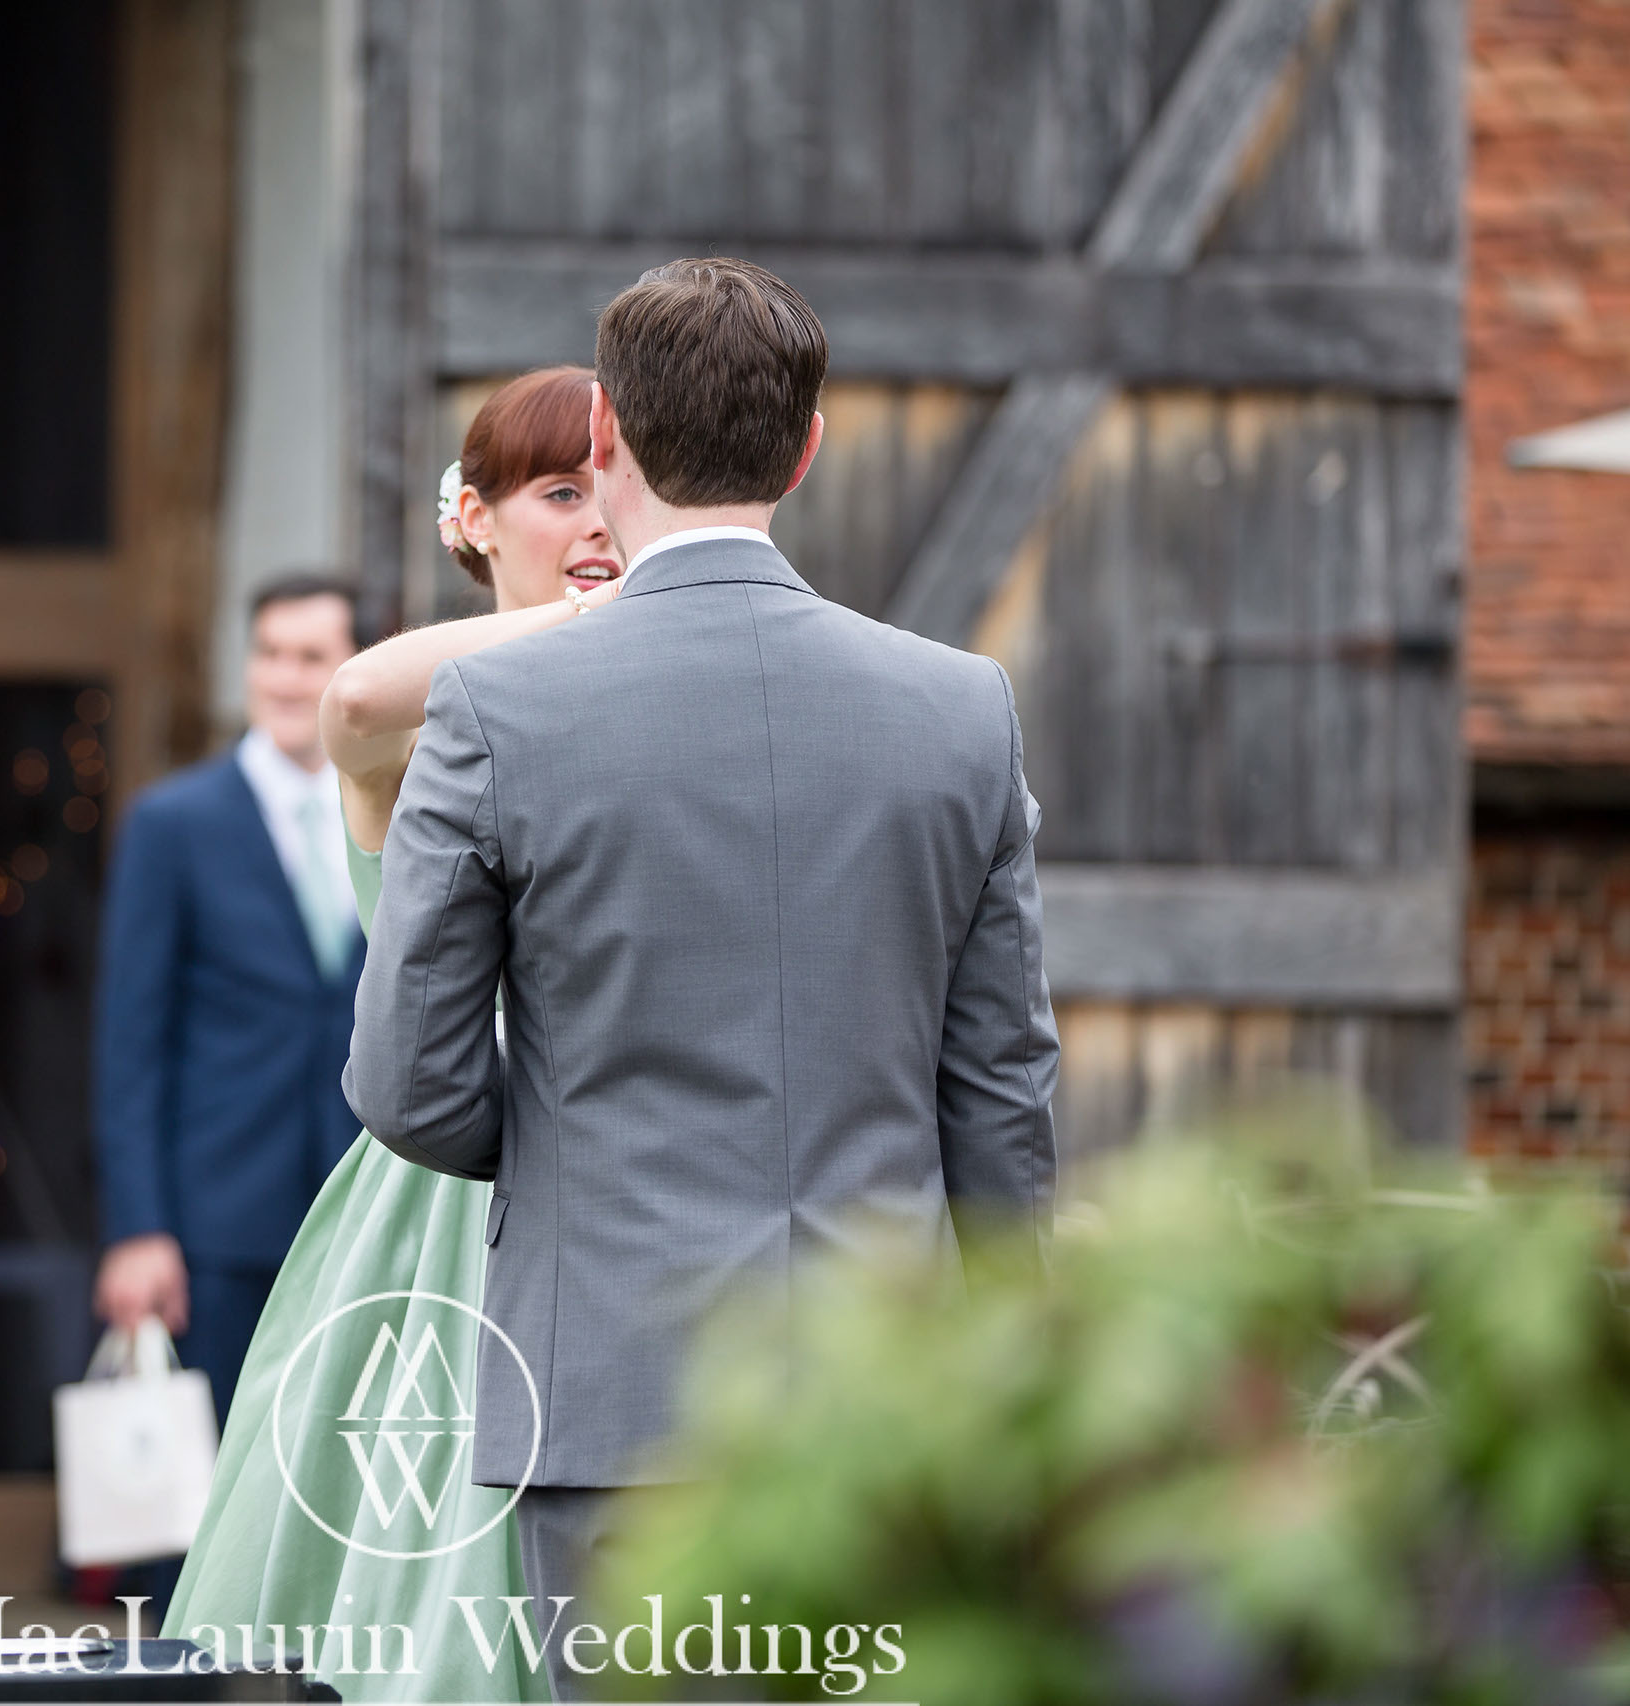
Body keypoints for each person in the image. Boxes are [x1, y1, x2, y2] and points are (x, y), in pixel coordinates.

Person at [347, 259, 1060, 1700]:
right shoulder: (959, 708)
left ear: (605, 435)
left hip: (609, 1392)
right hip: (890, 1399)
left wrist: (571, 1149)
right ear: (805, 449)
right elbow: (1001, 1099)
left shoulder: (493, 708)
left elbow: (409, 1085)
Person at [162, 366, 620, 1703]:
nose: (598, 520)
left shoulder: (642, 706)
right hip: (439, 1206)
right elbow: (350, 703)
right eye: (559, 492)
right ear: (472, 518)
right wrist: (634, 608)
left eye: (618, 489)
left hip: (611, 1183)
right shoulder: (419, 714)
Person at [93, 573, 366, 1427]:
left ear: (357, 668)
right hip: (214, 1231)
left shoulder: (400, 816)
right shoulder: (171, 824)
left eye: (311, 657)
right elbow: (129, 1044)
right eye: (268, 654)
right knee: (209, 1487)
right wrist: (138, 1228)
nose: (284, 678)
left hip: (361, 1222)